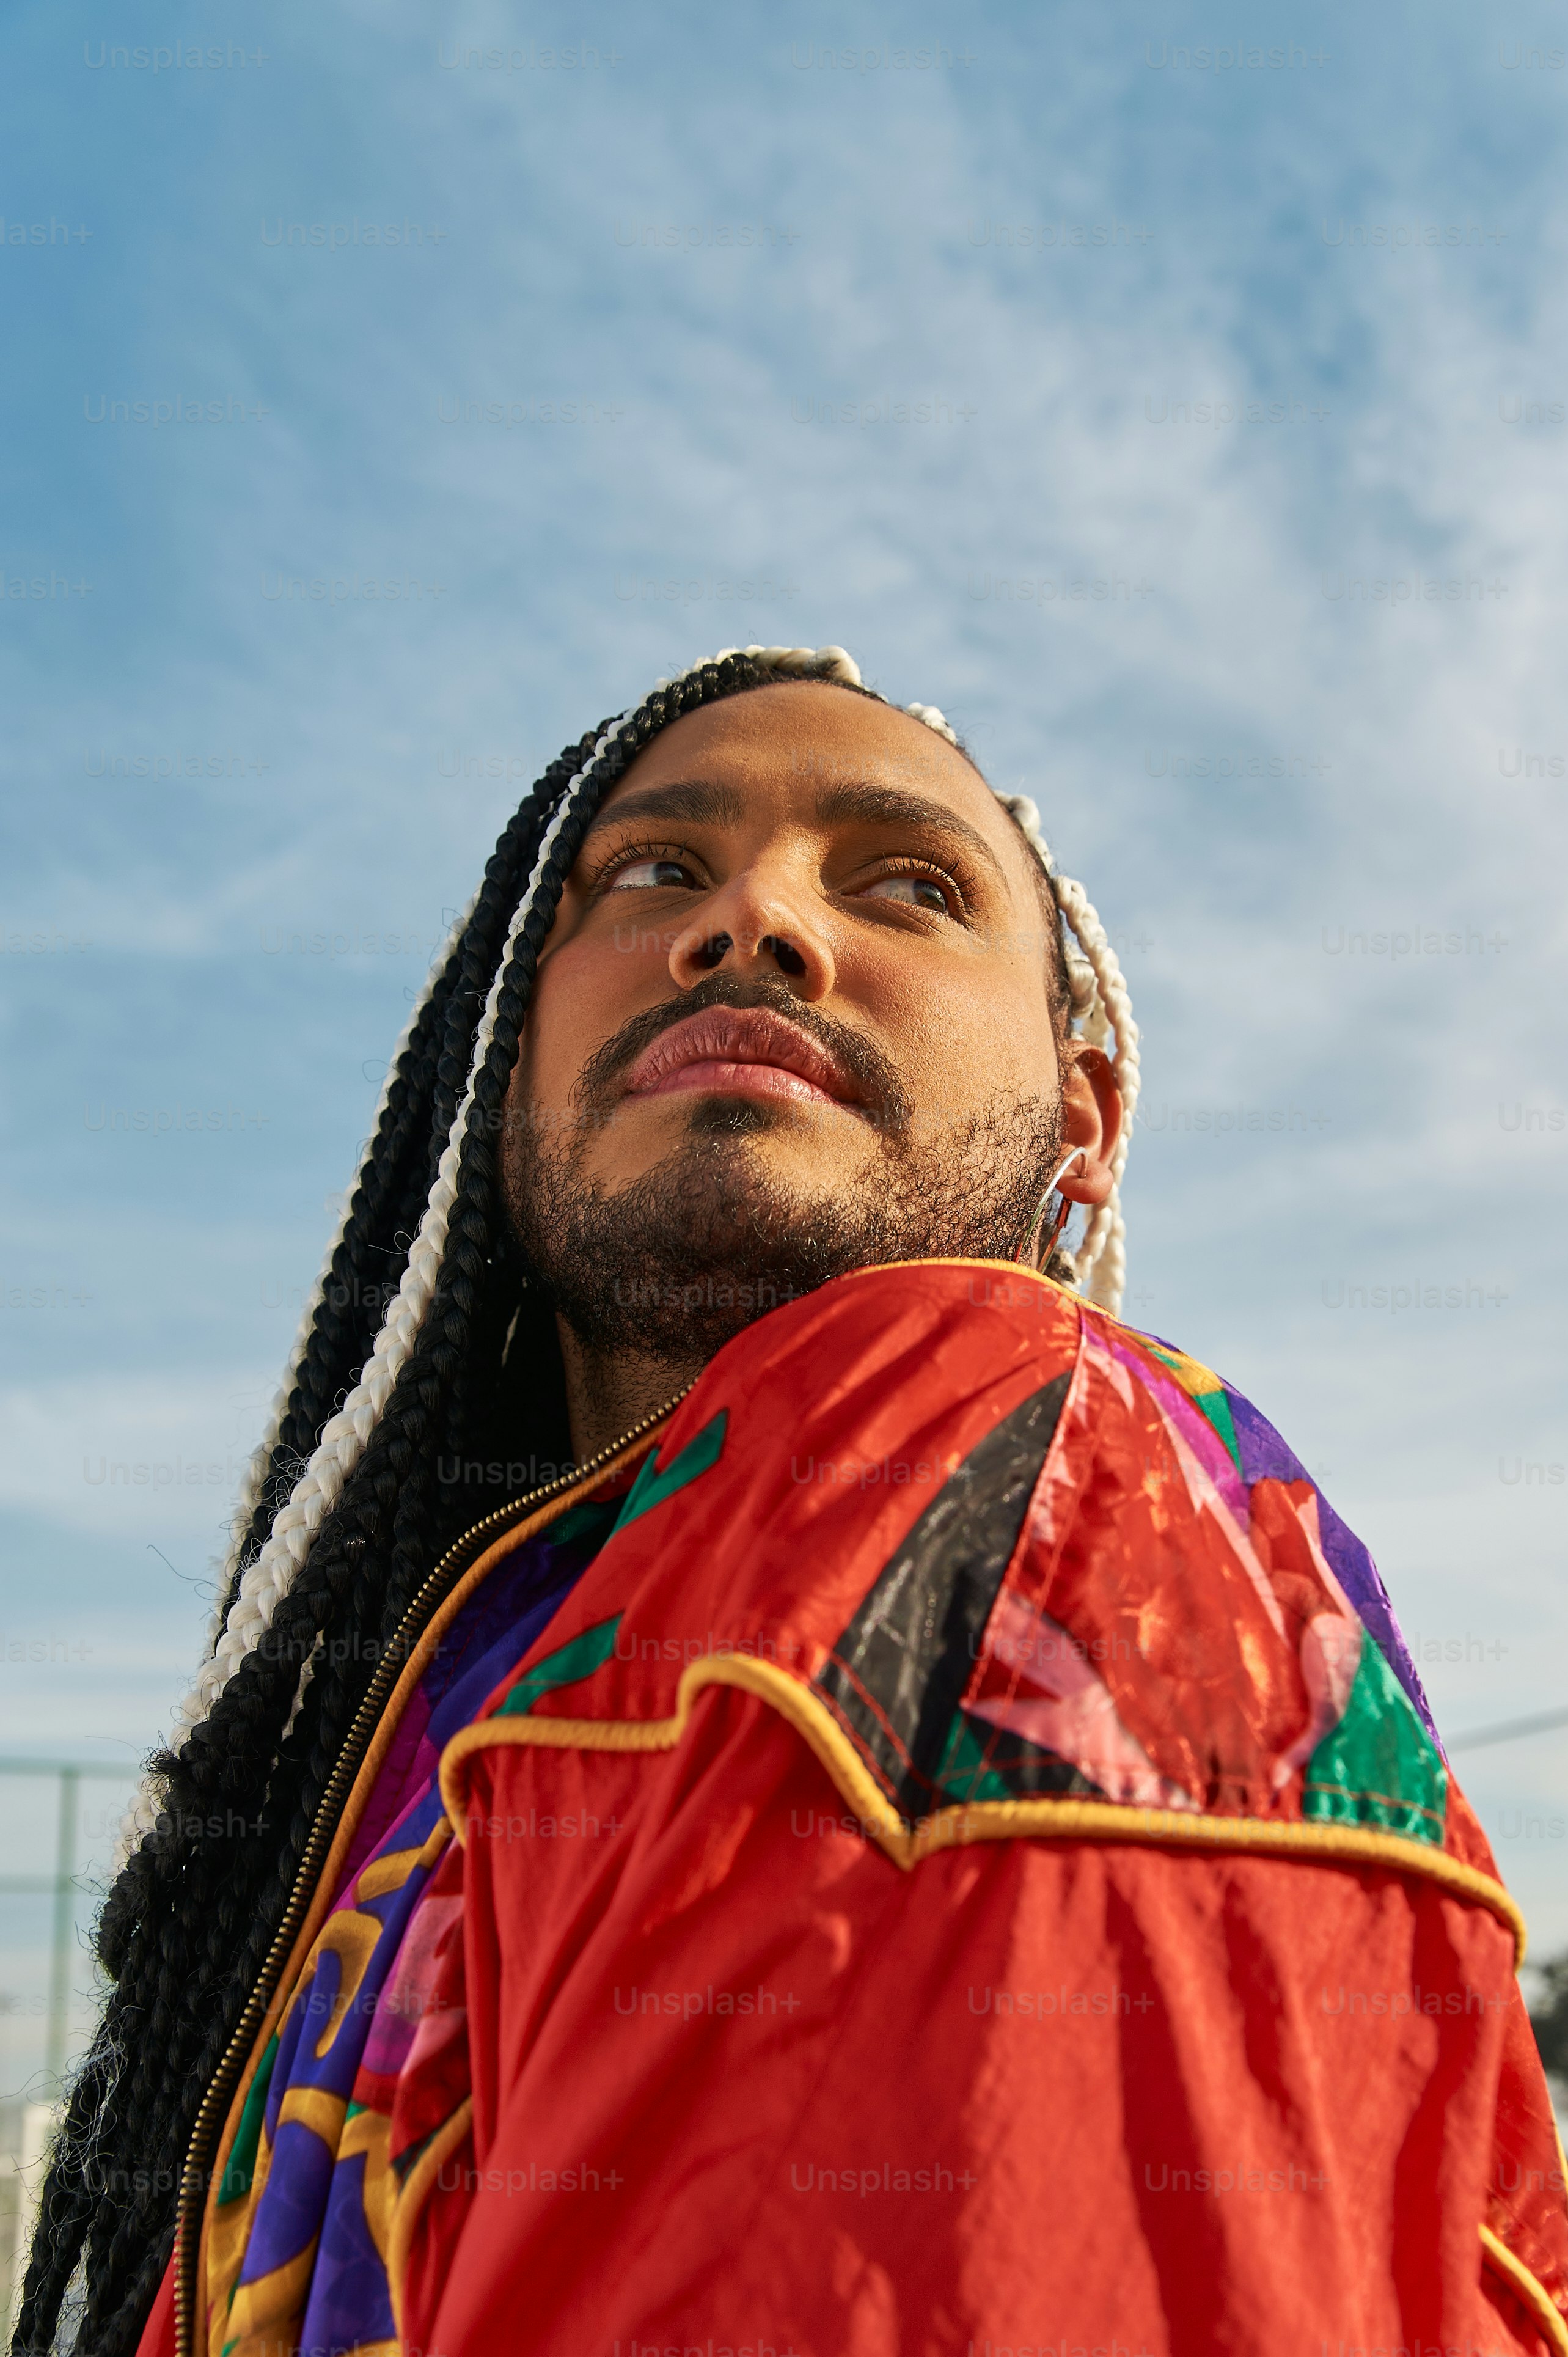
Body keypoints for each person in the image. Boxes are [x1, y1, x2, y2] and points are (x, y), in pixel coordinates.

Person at [19, 645, 1568, 2357]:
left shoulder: (1011, 1461)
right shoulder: (435, 1696)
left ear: (1086, 1116)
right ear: (496, 1068)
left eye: (907, 883)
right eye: (656, 871)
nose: (752, 920)